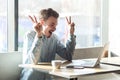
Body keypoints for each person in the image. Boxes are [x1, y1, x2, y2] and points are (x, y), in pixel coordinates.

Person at [20, 8, 76, 80]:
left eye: (55, 25)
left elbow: (68, 56)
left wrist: (71, 34)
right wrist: (39, 35)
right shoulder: (30, 35)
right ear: (42, 23)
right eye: (52, 25)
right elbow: (33, 61)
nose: (55, 28)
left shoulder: (54, 38)